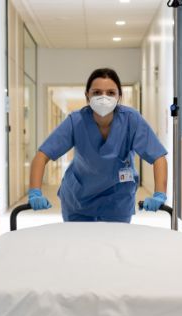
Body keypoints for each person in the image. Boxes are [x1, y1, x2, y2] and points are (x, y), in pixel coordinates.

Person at [27, 68, 169, 223]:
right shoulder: (76, 121)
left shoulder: (131, 120)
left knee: (115, 245)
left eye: (110, 93)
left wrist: (159, 194)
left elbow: (158, 157)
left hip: (117, 201)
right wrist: (35, 192)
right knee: (80, 245)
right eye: (97, 92)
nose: (103, 98)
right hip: (79, 199)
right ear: (87, 95)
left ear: (119, 96)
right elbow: (42, 156)